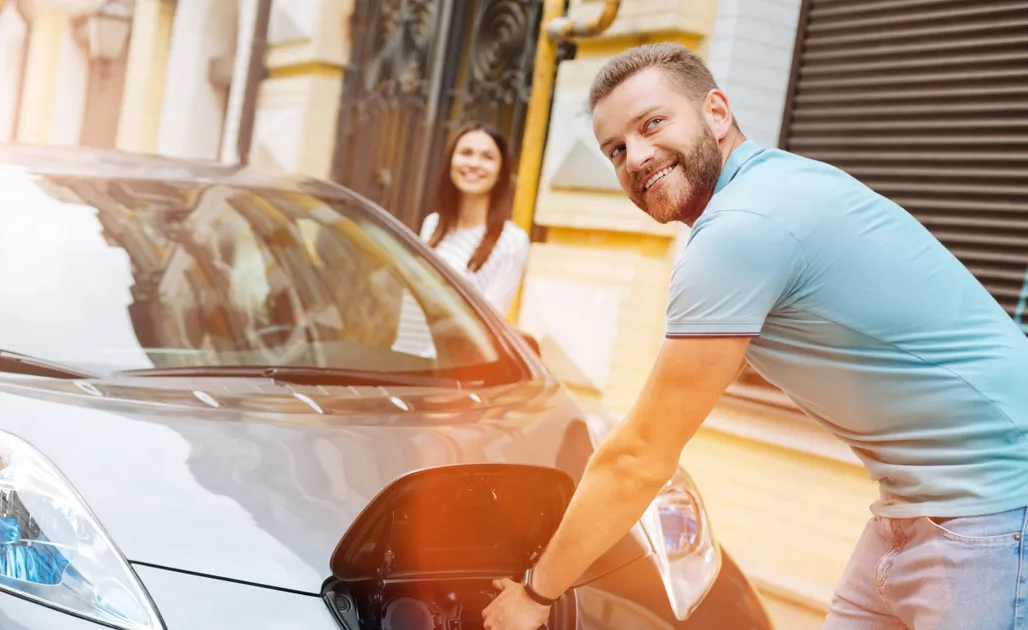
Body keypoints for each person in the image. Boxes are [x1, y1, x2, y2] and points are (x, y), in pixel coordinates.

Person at [482, 42, 1028, 630]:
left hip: (994, 509)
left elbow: (640, 456)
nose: (636, 157)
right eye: (615, 149)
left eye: (652, 124)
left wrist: (536, 596)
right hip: (919, 508)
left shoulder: (742, 228)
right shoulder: (770, 190)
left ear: (717, 112)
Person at [418, 121, 529, 317]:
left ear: (500, 170)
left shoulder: (512, 241)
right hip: (405, 346)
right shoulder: (432, 225)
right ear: (451, 160)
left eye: (487, 157)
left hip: (454, 348)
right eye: (466, 153)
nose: (474, 164)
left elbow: (490, 321)